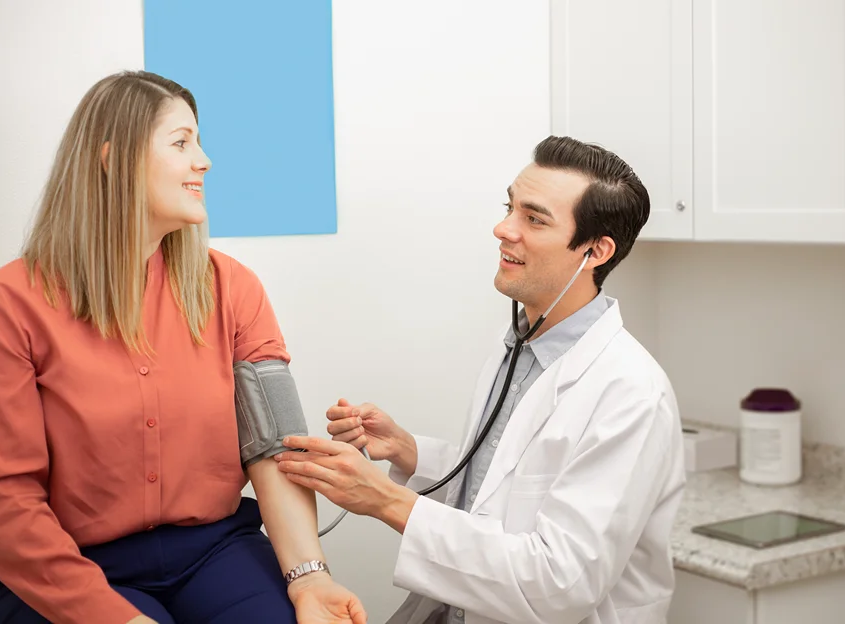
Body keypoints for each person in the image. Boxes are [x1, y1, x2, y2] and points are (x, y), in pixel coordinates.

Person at [0, 71, 366, 624]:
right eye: (181, 143)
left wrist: (309, 578)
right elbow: (5, 502)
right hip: (71, 566)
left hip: (214, 551)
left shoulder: (234, 288)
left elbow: (276, 448)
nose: (203, 161)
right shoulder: (7, 304)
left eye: (198, 143)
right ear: (114, 159)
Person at [274, 136, 687, 624]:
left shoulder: (632, 393)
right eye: (509, 207)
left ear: (596, 251)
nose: (503, 228)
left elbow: (559, 585)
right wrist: (408, 450)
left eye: (534, 219)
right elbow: (503, 492)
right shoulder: (519, 344)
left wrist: (387, 501)